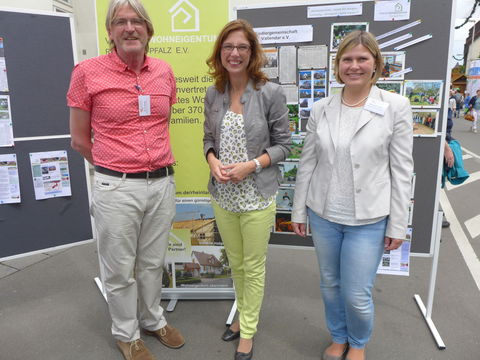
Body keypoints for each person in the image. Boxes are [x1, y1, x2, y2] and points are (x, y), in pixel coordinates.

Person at [67, 1, 184, 359]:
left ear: (149, 31)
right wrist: (114, 168)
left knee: (152, 262)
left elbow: (160, 124)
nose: (129, 28)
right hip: (116, 186)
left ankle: (152, 319)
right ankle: (126, 333)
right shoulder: (87, 72)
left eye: (137, 22)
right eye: (121, 22)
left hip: (161, 182)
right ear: (110, 32)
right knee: (118, 268)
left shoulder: (164, 71)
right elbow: (79, 139)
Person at [292, 31, 413, 360]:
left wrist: (398, 225)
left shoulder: (395, 107)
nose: (354, 65)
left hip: (369, 220)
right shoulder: (322, 108)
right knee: (330, 284)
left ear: (376, 63)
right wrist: (299, 211)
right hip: (324, 214)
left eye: (362, 59)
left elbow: (402, 170)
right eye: (347, 59)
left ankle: (358, 343)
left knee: (357, 293)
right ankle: (338, 336)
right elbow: (308, 163)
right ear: (337, 64)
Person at [203, 19, 290, 360]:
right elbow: (208, 138)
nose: (234, 53)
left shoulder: (270, 93)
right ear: (220, 52)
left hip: (256, 195)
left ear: (252, 52)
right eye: (228, 47)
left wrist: (251, 165)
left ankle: (248, 332)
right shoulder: (214, 93)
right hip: (223, 195)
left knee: (253, 266)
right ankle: (242, 317)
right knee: (236, 264)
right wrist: (211, 159)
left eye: (241, 47)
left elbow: (285, 145)